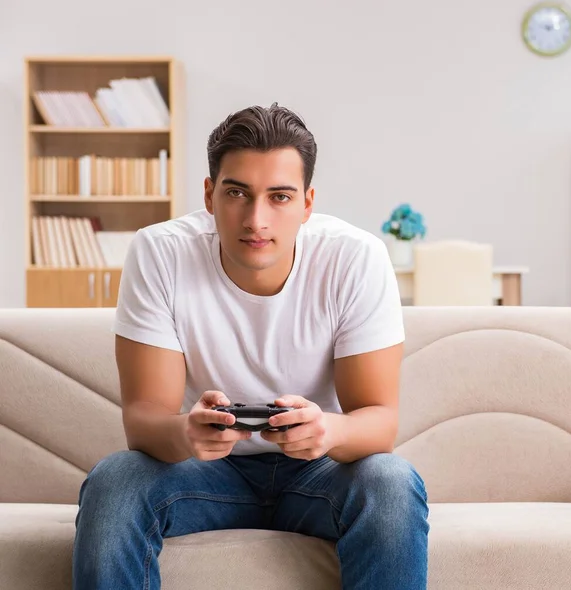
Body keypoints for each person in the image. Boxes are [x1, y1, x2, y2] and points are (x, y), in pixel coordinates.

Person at [72, 103, 429, 589]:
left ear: (307, 204)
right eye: (237, 192)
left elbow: (379, 422)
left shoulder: (355, 258)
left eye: (279, 197)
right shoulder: (160, 252)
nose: (256, 219)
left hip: (318, 471)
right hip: (204, 472)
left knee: (390, 482)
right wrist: (187, 433)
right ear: (209, 195)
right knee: (116, 479)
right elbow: (143, 420)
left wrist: (326, 431)